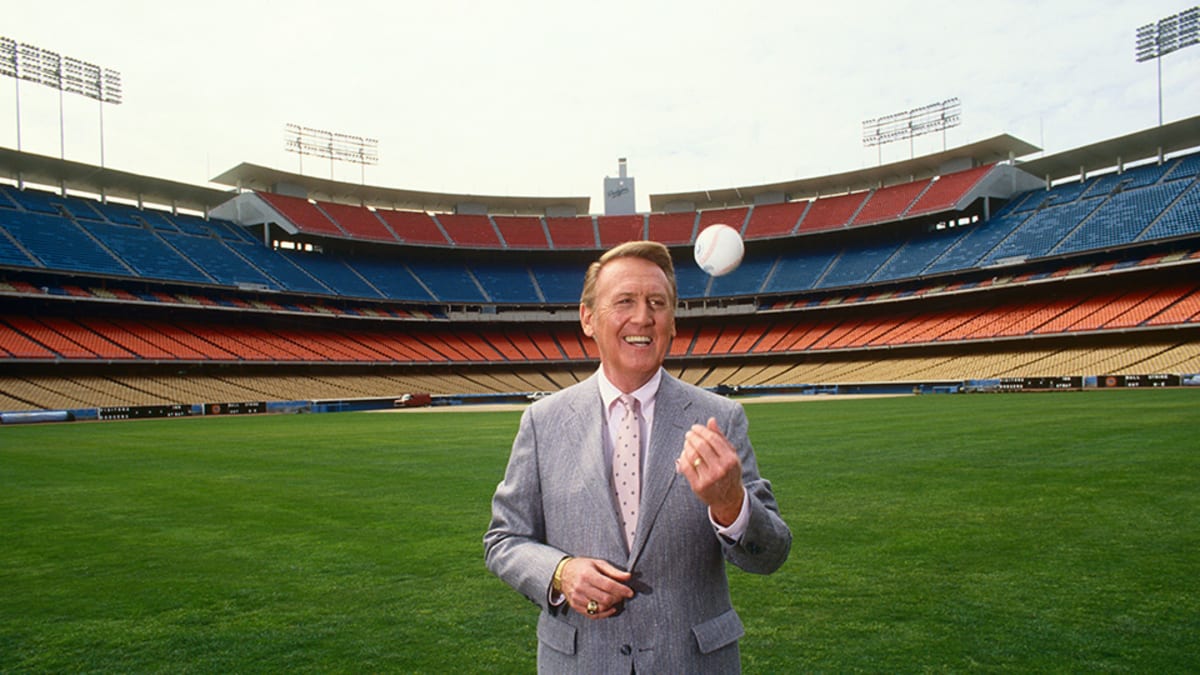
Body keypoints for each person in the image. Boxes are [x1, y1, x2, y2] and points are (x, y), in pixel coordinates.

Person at [484, 240, 792, 673]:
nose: (643, 317)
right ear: (588, 318)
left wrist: (730, 505)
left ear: (672, 323)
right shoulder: (543, 422)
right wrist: (560, 573)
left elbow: (771, 554)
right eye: (624, 301)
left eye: (657, 303)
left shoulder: (720, 418)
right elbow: (503, 540)